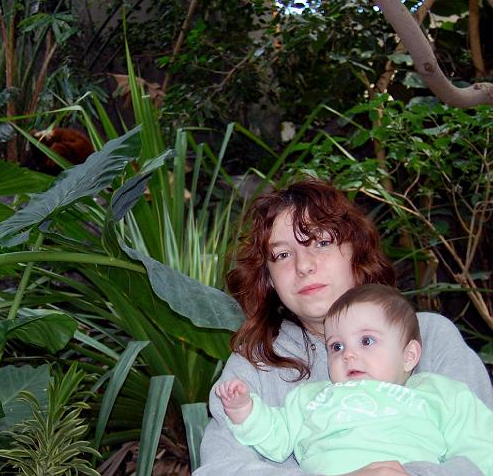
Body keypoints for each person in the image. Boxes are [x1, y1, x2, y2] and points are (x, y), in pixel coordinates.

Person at [193, 178, 493, 476]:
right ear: (269, 279)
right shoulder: (255, 365)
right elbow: (218, 469)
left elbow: (482, 452)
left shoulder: (428, 337)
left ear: (356, 252)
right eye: (283, 255)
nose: (304, 265)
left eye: (322, 242)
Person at [215, 284, 493, 475]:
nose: (348, 355)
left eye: (367, 340)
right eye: (336, 346)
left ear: (409, 356)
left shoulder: (439, 394)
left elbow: (481, 449)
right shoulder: (312, 397)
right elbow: (277, 436)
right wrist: (245, 410)